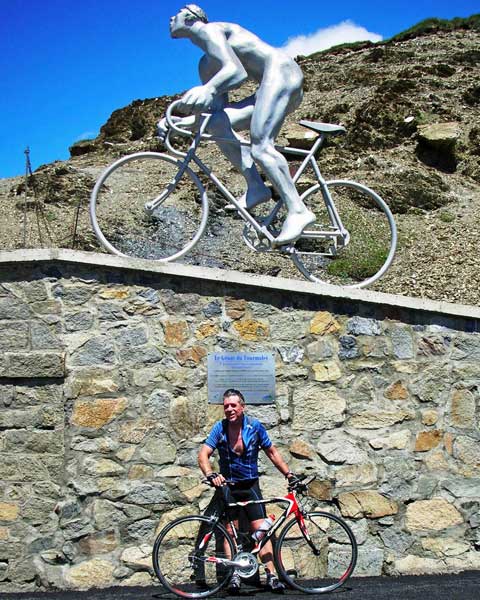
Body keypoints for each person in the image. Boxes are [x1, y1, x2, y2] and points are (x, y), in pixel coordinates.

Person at [160, 4, 316, 246]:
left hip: (282, 73)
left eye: (178, 12)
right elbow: (214, 112)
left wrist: (208, 88)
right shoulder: (206, 65)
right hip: (268, 85)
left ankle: (298, 210)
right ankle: (256, 186)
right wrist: (180, 122)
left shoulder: (209, 30)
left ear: (191, 17)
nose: (171, 17)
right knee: (217, 123)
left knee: (262, 146)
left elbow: (236, 71)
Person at [198, 388, 298, 592]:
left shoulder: (254, 426)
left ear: (242, 407)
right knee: (229, 532)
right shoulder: (220, 427)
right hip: (228, 487)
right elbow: (203, 454)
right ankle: (234, 575)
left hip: (250, 485)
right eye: (226, 406)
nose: (229, 409)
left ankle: (271, 575)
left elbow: (272, 452)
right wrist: (210, 474)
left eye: (233, 405)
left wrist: (288, 474)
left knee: (262, 531)